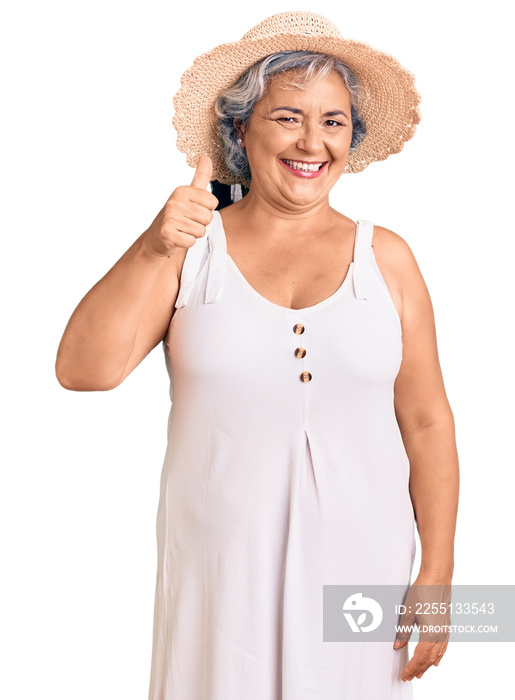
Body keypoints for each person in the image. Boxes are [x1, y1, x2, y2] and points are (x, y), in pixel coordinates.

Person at [55, 10, 460, 700]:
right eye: (286, 117)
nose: (312, 141)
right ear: (240, 128)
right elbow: (82, 371)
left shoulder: (386, 257)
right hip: (221, 575)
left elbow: (425, 422)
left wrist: (438, 577)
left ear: (350, 138)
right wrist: (155, 245)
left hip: (361, 576)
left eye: (333, 122)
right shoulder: (189, 247)